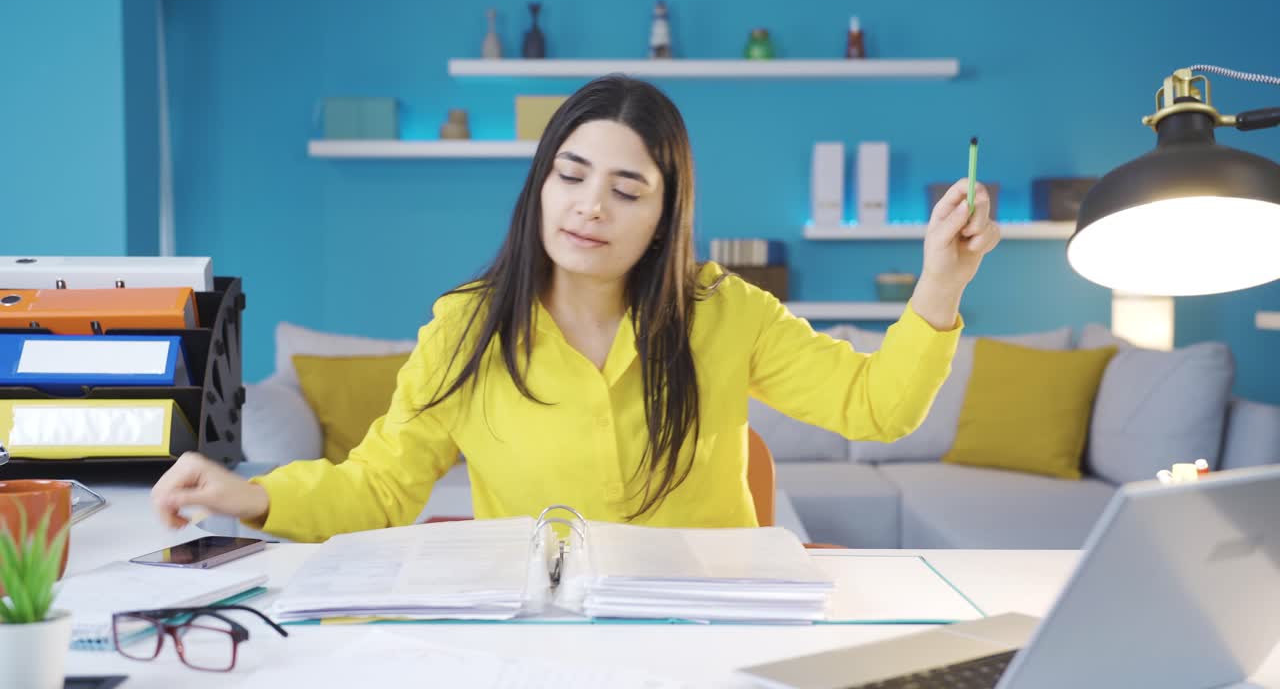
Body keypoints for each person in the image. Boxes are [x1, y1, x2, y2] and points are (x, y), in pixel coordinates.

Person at [151, 75, 999, 542]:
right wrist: (253, 498)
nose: (591, 206)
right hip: (543, 639)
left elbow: (876, 409)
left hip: (712, 632)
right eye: (571, 175)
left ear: (664, 217)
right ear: (541, 184)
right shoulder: (467, 328)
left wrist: (940, 283)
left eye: (627, 190)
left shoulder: (724, 311)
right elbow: (379, 488)